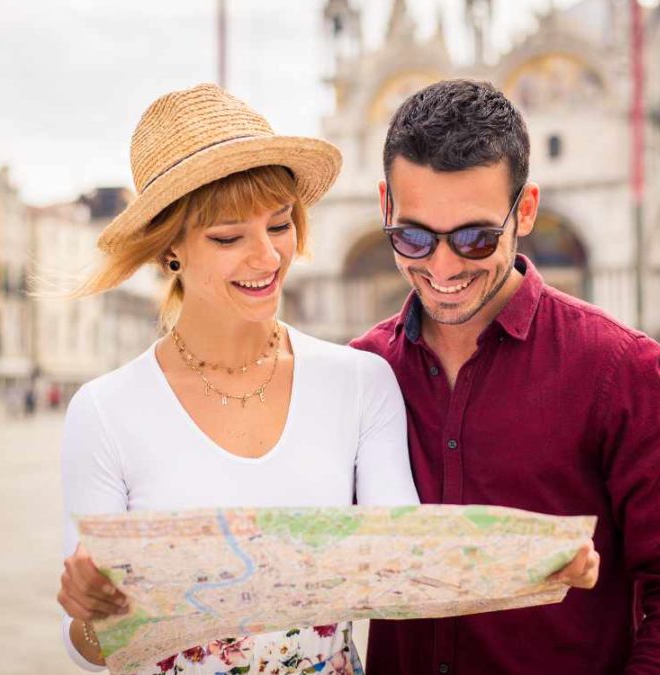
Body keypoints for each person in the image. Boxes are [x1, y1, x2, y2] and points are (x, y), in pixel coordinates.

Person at [351, 79, 660, 674]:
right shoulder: (361, 373)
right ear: (386, 207)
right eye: (414, 237)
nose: (442, 267)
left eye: (476, 238)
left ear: (524, 211)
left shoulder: (622, 372)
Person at [53, 84, 422, 675]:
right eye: (228, 237)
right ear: (170, 248)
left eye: (280, 226)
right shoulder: (105, 411)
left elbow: (408, 569)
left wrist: (536, 565)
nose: (268, 257)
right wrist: (93, 614)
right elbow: (91, 649)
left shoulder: (361, 382)